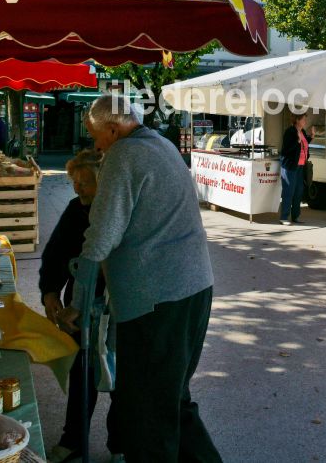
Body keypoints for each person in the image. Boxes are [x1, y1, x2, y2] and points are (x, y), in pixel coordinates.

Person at [59, 94, 221, 463]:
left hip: (156, 298)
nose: (95, 146)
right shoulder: (160, 143)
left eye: (96, 136)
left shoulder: (123, 155)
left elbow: (102, 235)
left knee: (150, 410)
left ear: (113, 130)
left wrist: (78, 301)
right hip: (193, 288)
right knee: (172, 398)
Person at [39, 149, 121, 463]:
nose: (79, 188)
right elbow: (55, 254)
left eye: (86, 182)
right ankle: (73, 439)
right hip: (81, 306)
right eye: (76, 182)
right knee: (82, 375)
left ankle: (120, 445)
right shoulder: (76, 210)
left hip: (119, 308)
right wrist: (49, 292)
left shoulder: (117, 210)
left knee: (120, 380)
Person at [279, 114, 310, 226]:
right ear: (297, 120)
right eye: (303, 119)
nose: (305, 121)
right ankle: (284, 217)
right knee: (289, 191)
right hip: (290, 165)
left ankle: (295, 216)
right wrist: (296, 141)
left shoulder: (303, 132)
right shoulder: (290, 131)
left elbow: (304, 145)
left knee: (298, 191)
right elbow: (286, 149)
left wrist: (311, 137)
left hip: (301, 166)